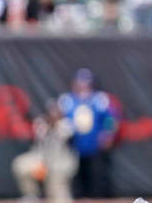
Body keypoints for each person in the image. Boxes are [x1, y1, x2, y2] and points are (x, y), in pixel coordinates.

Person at [58, 68, 117, 198]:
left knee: (96, 174)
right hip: (73, 145)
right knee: (74, 174)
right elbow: (59, 118)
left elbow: (110, 118)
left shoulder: (99, 99)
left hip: (94, 144)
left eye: (86, 82)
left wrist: (107, 134)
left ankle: (96, 199)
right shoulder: (67, 100)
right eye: (80, 82)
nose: (83, 85)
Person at [12, 99, 77, 203]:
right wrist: (47, 123)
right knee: (20, 165)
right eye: (51, 110)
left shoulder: (67, 124)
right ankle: (31, 195)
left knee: (57, 194)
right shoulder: (41, 122)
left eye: (56, 111)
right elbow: (39, 135)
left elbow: (64, 135)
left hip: (61, 162)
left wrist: (54, 123)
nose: (53, 113)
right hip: (40, 159)